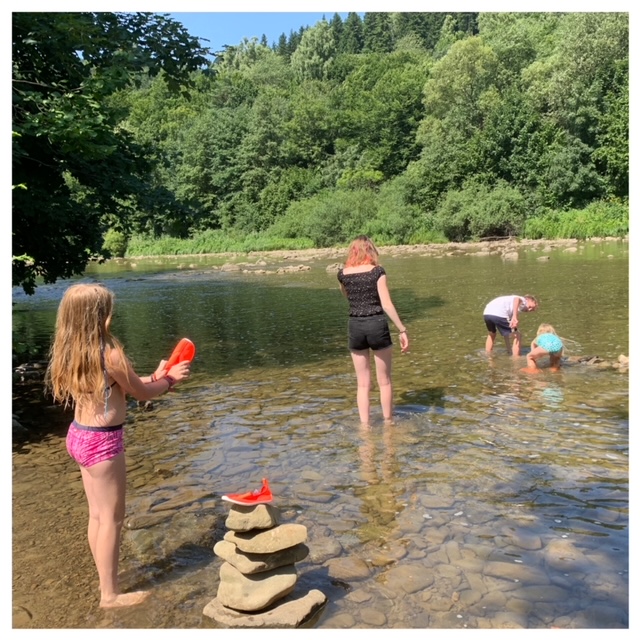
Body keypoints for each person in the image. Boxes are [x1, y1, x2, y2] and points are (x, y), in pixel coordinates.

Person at [44, 283, 191, 608]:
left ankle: (104, 579)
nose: (112, 314)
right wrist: (170, 379)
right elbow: (141, 394)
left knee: (97, 515)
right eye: (109, 309)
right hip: (103, 443)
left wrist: (155, 375)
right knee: (112, 518)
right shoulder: (110, 353)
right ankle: (109, 595)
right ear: (101, 316)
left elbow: (127, 386)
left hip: (79, 436)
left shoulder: (73, 349)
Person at [337, 235, 409, 426]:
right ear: (371, 250)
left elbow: (349, 297)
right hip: (376, 324)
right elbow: (386, 304)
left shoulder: (343, 274)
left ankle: (365, 427)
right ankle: (388, 423)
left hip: (355, 326)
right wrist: (402, 329)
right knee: (384, 381)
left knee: (362, 384)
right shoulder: (377, 272)